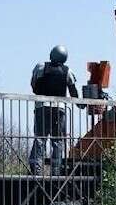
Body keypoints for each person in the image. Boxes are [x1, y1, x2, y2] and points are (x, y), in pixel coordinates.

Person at [28, 45, 79, 176]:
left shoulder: (40, 67)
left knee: (40, 138)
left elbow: (34, 85)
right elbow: (73, 91)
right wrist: (80, 104)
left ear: (52, 54)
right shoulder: (68, 71)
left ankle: (37, 171)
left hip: (42, 107)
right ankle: (56, 171)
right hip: (60, 109)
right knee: (58, 140)